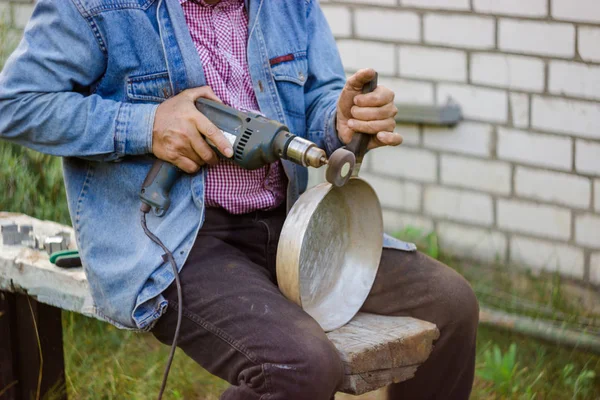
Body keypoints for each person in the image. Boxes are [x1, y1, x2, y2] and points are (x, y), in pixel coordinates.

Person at [0, 0, 479, 398]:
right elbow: (15, 104)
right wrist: (146, 127)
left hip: (289, 223)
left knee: (451, 305)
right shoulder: (94, 7)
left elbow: (318, 94)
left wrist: (339, 122)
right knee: (301, 366)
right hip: (180, 238)